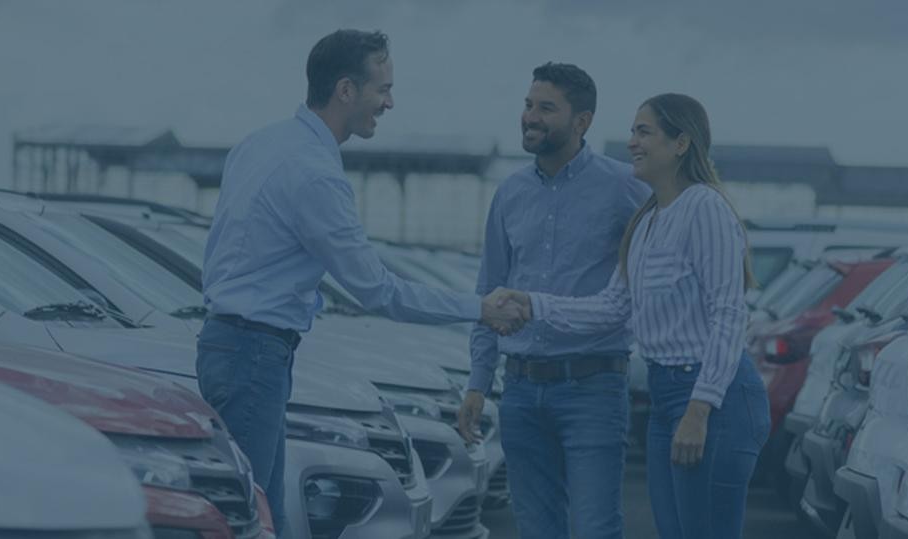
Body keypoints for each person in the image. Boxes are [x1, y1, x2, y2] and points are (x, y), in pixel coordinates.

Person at [198, 29, 527, 534]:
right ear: (346, 90)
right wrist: (479, 308)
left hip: (235, 347)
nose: (390, 102)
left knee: (269, 519)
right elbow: (377, 289)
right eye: (383, 89)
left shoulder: (259, 144)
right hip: (254, 358)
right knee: (252, 524)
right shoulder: (315, 174)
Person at [490, 93, 770, 539]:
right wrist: (533, 304)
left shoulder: (705, 207)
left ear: (681, 143)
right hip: (665, 396)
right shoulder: (647, 221)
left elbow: (729, 313)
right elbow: (613, 307)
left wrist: (699, 409)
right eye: (632, 132)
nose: (632, 143)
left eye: (644, 132)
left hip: (713, 398)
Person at [454, 62, 650, 539]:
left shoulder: (625, 187)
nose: (530, 117)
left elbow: (658, 268)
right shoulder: (510, 192)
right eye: (527, 105)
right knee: (537, 531)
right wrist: (478, 382)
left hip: (594, 388)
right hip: (520, 392)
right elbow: (491, 289)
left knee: (594, 529)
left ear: (581, 121)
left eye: (546, 108)